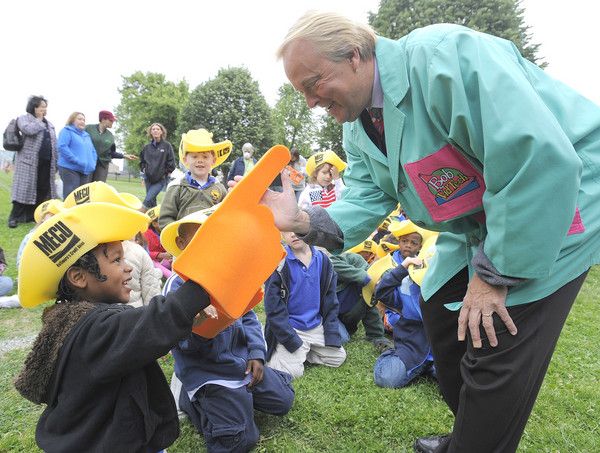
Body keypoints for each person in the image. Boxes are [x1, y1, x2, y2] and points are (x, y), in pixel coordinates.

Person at [255, 11, 600, 452]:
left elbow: (534, 158)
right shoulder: (359, 126)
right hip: (480, 219)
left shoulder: (447, 59)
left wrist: (494, 277)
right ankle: (472, 433)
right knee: (440, 308)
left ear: (356, 56)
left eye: (313, 83)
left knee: (495, 335)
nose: (309, 101)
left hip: (557, 198)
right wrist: (302, 222)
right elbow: (365, 194)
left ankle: (478, 441)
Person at [13, 202, 213, 452]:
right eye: (117, 260)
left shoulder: (77, 322)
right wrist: (207, 277)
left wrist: (184, 322)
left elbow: (137, 341)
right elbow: (153, 323)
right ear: (78, 277)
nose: (128, 266)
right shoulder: (94, 329)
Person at [162, 211, 295, 453]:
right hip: (210, 372)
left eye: (213, 240)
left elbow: (249, 315)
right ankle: (195, 400)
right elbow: (180, 342)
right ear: (181, 244)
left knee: (284, 400)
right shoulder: (177, 287)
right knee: (241, 440)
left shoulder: (228, 275)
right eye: (197, 239)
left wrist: (256, 353)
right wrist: (200, 326)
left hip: (242, 362)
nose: (207, 247)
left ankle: (237, 399)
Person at [264, 231, 346, 379]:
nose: (293, 235)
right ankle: (286, 351)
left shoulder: (323, 260)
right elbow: (273, 309)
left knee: (338, 358)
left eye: (297, 230)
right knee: (292, 373)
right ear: (282, 235)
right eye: (287, 232)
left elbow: (331, 301)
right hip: (292, 328)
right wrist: (290, 339)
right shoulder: (279, 263)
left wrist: (331, 332)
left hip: (315, 326)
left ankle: (304, 351)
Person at [371, 224, 435, 389]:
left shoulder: (435, 269)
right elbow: (381, 292)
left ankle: (429, 367)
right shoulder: (399, 273)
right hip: (410, 344)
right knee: (388, 379)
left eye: (413, 242)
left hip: (440, 345)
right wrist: (402, 269)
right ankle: (393, 357)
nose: (408, 245)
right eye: (404, 241)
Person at [158, 128, 230, 229]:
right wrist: (177, 236)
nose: (200, 160)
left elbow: (227, 215)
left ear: (213, 160)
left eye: (205, 157)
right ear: (185, 160)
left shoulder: (220, 189)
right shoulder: (176, 188)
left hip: (212, 240)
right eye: (195, 156)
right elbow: (165, 219)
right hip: (185, 242)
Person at [9, 95, 59, 228]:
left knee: (42, 190)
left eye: (45, 107)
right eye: (42, 106)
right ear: (34, 107)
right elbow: (28, 130)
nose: (44, 109)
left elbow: (54, 143)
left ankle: (33, 216)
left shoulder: (49, 124)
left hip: (47, 163)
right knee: (23, 189)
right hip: (28, 163)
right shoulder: (24, 119)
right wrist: (39, 120)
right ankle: (14, 217)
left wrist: (55, 162)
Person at [328, 250, 392, 351]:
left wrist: (378, 337)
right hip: (321, 313)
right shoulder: (355, 260)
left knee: (342, 338)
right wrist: (361, 276)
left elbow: (372, 317)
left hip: (339, 322)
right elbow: (330, 263)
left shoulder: (370, 296)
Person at [85, 110, 137, 182]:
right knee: (85, 187)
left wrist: (124, 156)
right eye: (111, 120)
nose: (113, 122)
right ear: (103, 119)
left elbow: (111, 153)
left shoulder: (110, 136)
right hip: (88, 163)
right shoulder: (88, 128)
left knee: (99, 188)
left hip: (102, 165)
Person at [57, 112, 97, 199]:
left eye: (84, 120)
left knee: (82, 198)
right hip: (69, 168)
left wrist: (93, 163)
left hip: (85, 170)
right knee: (71, 196)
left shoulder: (87, 135)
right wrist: (75, 160)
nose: (82, 121)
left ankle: (79, 213)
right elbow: (62, 147)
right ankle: (68, 212)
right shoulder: (66, 131)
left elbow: (93, 151)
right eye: (79, 119)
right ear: (72, 120)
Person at [139, 122, 176, 210]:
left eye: (158, 129)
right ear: (150, 132)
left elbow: (171, 162)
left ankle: (138, 215)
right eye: (153, 129)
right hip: (148, 179)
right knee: (152, 201)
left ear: (161, 132)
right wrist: (144, 170)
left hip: (160, 179)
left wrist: (164, 173)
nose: (155, 131)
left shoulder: (167, 146)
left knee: (147, 200)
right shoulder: (146, 147)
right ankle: (154, 222)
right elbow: (142, 161)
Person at [122, 239, 163, 307]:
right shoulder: (137, 250)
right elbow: (151, 291)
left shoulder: (99, 253)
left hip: (105, 314)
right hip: (138, 313)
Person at [143, 205, 172, 278]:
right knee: (153, 263)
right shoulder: (146, 234)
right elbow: (144, 253)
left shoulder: (167, 232)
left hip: (165, 261)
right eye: (163, 220)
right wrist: (160, 255)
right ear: (154, 224)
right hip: (151, 262)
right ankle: (170, 276)